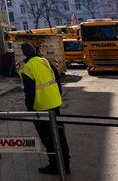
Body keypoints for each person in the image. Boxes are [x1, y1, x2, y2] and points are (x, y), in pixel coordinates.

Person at [19, 42, 71, 175]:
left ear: (24, 54)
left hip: (41, 108)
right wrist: (57, 95)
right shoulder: (45, 61)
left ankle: (55, 166)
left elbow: (29, 93)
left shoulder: (27, 68)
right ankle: (66, 164)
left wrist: (30, 110)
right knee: (59, 135)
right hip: (54, 104)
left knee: (48, 139)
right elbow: (57, 78)